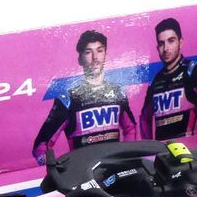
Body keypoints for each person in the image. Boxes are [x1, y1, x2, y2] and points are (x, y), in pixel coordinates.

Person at [32, 30, 137, 164]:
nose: (95, 58)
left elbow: (130, 129)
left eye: (100, 51)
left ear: (105, 55)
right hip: (83, 172)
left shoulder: (118, 91)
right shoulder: (68, 98)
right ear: (80, 59)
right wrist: (58, 171)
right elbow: (40, 146)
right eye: (88, 52)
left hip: (114, 169)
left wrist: (128, 159)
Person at [140, 17, 197, 140]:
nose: (166, 48)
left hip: (186, 147)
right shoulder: (156, 79)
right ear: (157, 48)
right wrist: (149, 147)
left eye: (171, 41)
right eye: (161, 43)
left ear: (180, 42)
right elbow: (144, 118)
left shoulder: (192, 69)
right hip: (161, 150)